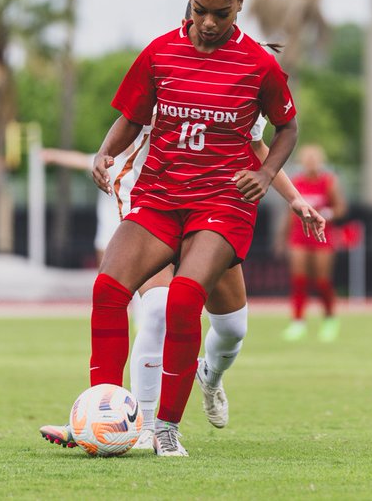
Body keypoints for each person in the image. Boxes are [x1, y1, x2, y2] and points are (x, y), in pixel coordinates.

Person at [40, 0, 300, 457]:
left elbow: (286, 128)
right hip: (159, 197)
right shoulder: (160, 52)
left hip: (221, 205)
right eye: (201, 9)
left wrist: (270, 176)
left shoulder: (259, 65)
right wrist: (104, 153)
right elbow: (132, 117)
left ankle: (166, 429)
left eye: (221, 14)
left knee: (185, 301)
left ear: (238, 8)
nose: (208, 22)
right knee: (109, 291)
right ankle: (105, 414)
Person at [39, 117, 324, 451]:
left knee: (233, 328)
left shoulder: (235, 87)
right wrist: (100, 154)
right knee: (157, 310)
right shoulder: (160, 75)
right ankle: (134, 424)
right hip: (150, 207)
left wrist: (294, 198)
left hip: (210, 211)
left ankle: (210, 375)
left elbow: (257, 145)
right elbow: (125, 120)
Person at [280, 144, 347, 343]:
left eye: (314, 159)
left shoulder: (328, 182)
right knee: (298, 279)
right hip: (299, 236)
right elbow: (289, 212)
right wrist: (283, 237)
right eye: (307, 160)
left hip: (322, 236)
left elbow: (340, 208)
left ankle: (329, 319)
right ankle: (298, 322)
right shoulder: (296, 183)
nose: (310, 164)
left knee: (322, 280)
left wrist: (326, 213)